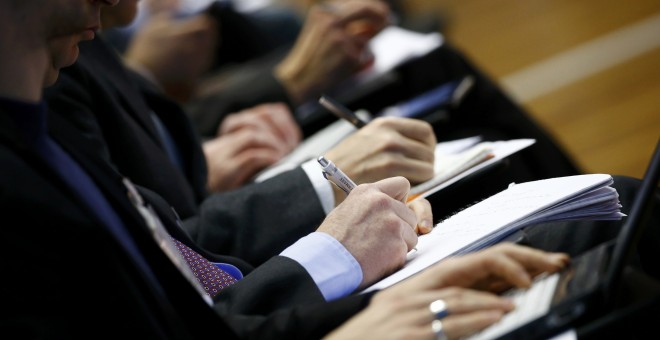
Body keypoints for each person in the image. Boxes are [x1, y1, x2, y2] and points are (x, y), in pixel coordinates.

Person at [0, 2, 577, 338]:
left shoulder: (43, 129)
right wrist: (338, 267)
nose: (126, 9)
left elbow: (193, 285)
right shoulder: (30, 159)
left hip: (259, 288)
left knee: (579, 226)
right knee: (577, 236)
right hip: (268, 284)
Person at [45, 0, 438, 267]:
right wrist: (318, 182)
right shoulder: (58, 61)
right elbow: (161, 250)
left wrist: (199, 158)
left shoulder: (85, 46)